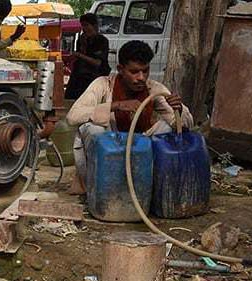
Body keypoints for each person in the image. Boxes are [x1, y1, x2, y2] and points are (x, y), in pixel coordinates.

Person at [66, 40, 193, 194]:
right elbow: (73, 116)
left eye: (145, 71)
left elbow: (183, 127)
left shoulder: (154, 89)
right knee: (91, 128)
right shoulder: (103, 85)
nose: (141, 77)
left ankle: (155, 188)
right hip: (111, 149)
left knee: (167, 128)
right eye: (134, 72)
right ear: (120, 69)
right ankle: (96, 189)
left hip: (142, 151)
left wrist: (179, 110)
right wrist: (116, 105)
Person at [64, 13, 110, 100]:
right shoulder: (82, 40)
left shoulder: (102, 41)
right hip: (79, 76)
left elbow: (97, 62)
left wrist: (80, 55)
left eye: (86, 25)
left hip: (94, 77)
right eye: (82, 26)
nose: (84, 29)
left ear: (94, 26)